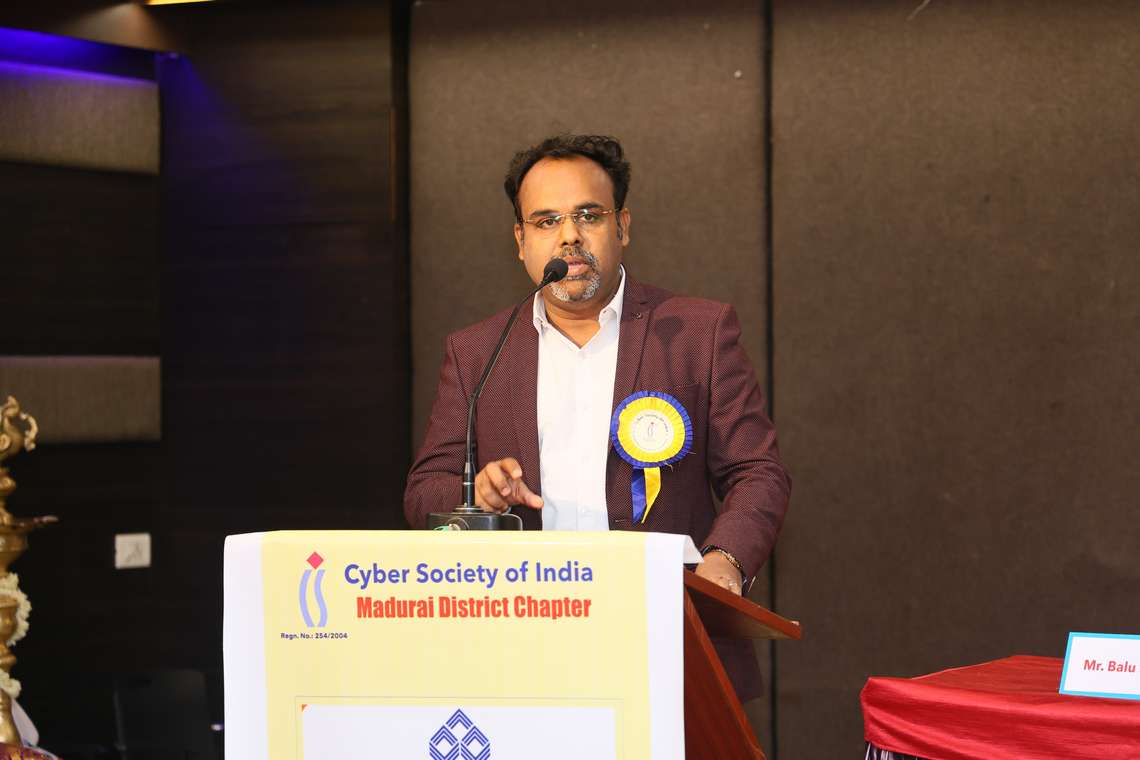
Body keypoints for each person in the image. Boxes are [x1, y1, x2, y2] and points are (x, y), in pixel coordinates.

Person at [404, 133, 790, 600]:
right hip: (526, 618)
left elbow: (757, 472)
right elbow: (425, 491)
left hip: (663, 614)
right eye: (547, 221)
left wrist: (725, 558)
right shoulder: (478, 353)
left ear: (622, 227)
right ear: (521, 241)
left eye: (589, 215)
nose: (569, 235)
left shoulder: (697, 333)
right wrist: (476, 496)